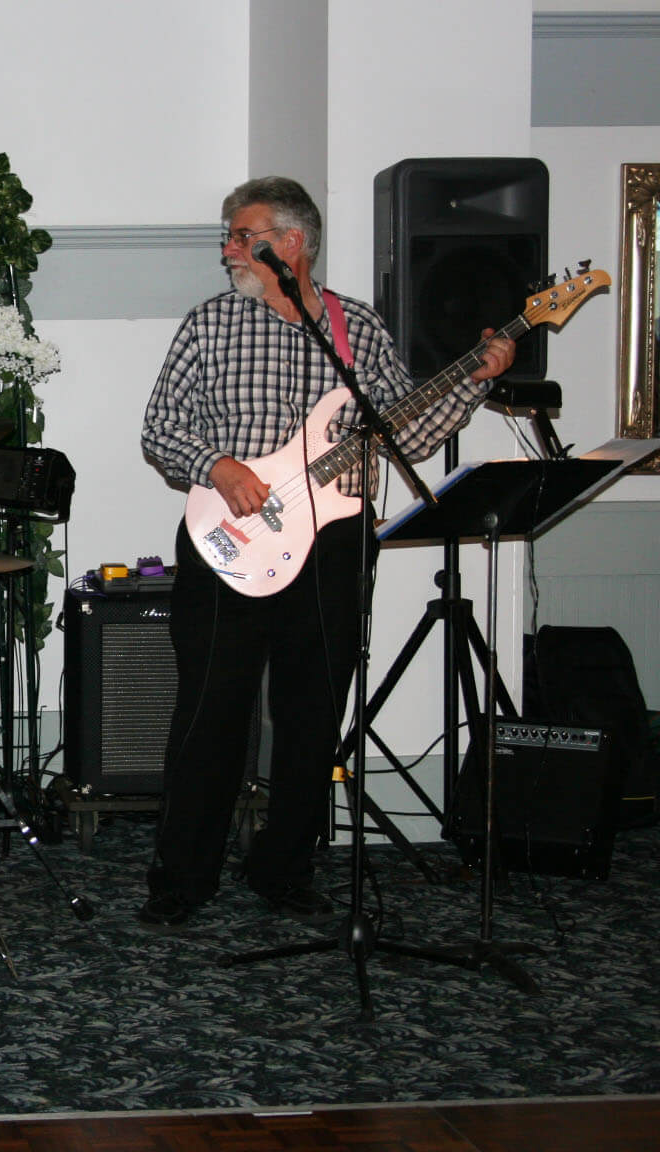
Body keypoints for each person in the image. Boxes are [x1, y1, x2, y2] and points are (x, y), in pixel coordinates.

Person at [136, 177, 515, 932]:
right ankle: (181, 876)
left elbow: (402, 432)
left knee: (314, 716)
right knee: (212, 711)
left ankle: (283, 867)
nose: (229, 249)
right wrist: (220, 465)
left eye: (243, 236)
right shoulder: (211, 325)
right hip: (225, 543)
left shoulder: (356, 330)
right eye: (230, 237)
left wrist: (472, 381)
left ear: (293, 242)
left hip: (334, 543)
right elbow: (159, 427)